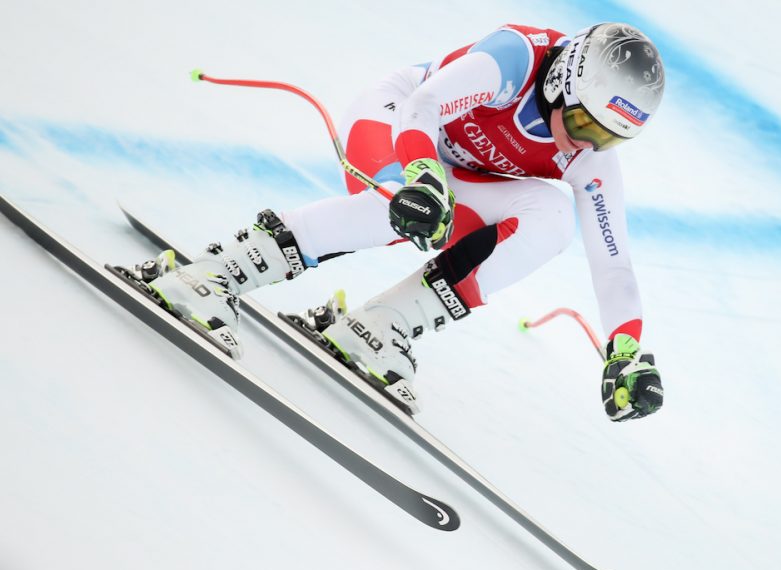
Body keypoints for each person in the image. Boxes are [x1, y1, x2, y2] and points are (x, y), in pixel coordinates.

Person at [131, 22, 665, 421]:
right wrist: (424, 174)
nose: (587, 143)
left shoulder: (591, 157)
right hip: (395, 121)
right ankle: (215, 273)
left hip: (448, 172)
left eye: (610, 138)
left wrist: (626, 352)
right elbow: (424, 106)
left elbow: (613, 264)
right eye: (580, 121)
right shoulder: (518, 58)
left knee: (552, 218)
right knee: (400, 206)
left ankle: (381, 326)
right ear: (563, 83)